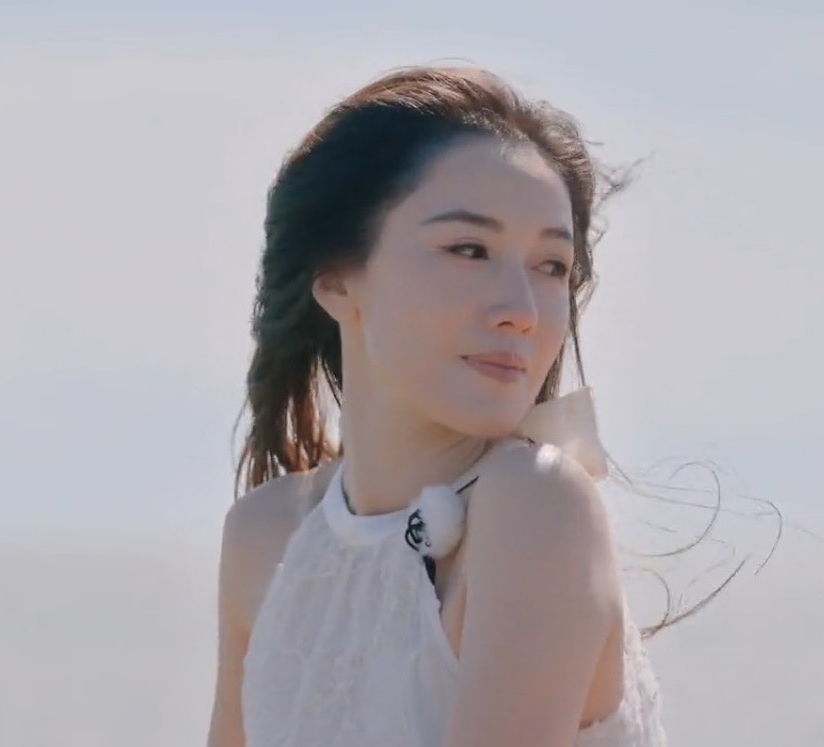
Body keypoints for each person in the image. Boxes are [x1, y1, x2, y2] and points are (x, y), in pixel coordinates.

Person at [207, 65, 667, 747]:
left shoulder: (535, 502)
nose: (522, 310)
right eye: (470, 250)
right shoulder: (266, 534)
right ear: (337, 280)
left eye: (551, 265)